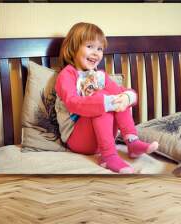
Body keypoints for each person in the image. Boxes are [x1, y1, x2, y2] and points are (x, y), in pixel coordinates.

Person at [55, 22, 158, 174]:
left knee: (119, 97)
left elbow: (123, 92)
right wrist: (104, 101)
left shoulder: (99, 76)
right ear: (73, 47)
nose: (96, 53)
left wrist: (127, 97)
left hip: (103, 138)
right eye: (89, 46)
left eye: (100, 48)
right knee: (103, 97)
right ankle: (108, 156)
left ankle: (132, 142)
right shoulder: (67, 75)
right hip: (78, 140)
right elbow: (73, 103)